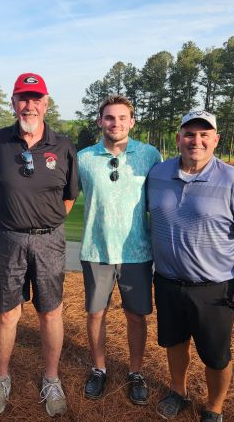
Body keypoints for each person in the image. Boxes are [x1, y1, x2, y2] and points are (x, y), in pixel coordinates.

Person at [147, 110, 234, 422]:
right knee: (174, 343)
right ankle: (178, 391)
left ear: (215, 140)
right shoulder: (158, 174)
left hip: (214, 289)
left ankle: (214, 406)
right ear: (178, 139)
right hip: (168, 281)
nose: (196, 141)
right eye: (189, 134)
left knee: (215, 355)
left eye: (204, 135)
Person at [0, 72, 79, 417]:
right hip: (7, 238)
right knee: (8, 312)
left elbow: (69, 198)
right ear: (13, 102)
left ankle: (51, 378)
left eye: (36, 98)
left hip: (49, 241)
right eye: (23, 98)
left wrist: (44, 224)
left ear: (46, 103)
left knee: (50, 311)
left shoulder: (64, 146)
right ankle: (1, 377)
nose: (30, 105)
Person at [77, 95, 162, 405]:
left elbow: (161, 202)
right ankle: (98, 368)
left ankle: (136, 372)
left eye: (122, 118)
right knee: (96, 314)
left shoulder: (150, 155)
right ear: (100, 122)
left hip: (137, 252)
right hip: (96, 250)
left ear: (132, 121)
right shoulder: (84, 157)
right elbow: (64, 197)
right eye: (109, 118)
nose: (115, 123)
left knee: (136, 315)